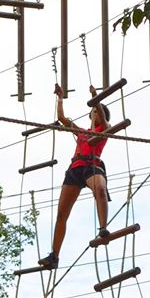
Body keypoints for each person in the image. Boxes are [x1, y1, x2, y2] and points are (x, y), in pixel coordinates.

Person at [38, 84, 112, 269]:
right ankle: (54, 256)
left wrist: (96, 98)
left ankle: (103, 229)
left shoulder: (104, 129)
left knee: (100, 189)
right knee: (62, 214)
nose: (95, 114)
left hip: (92, 166)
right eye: (93, 112)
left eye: (97, 112)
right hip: (75, 168)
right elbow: (62, 118)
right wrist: (60, 98)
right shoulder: (81, 132)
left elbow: (103, 117)